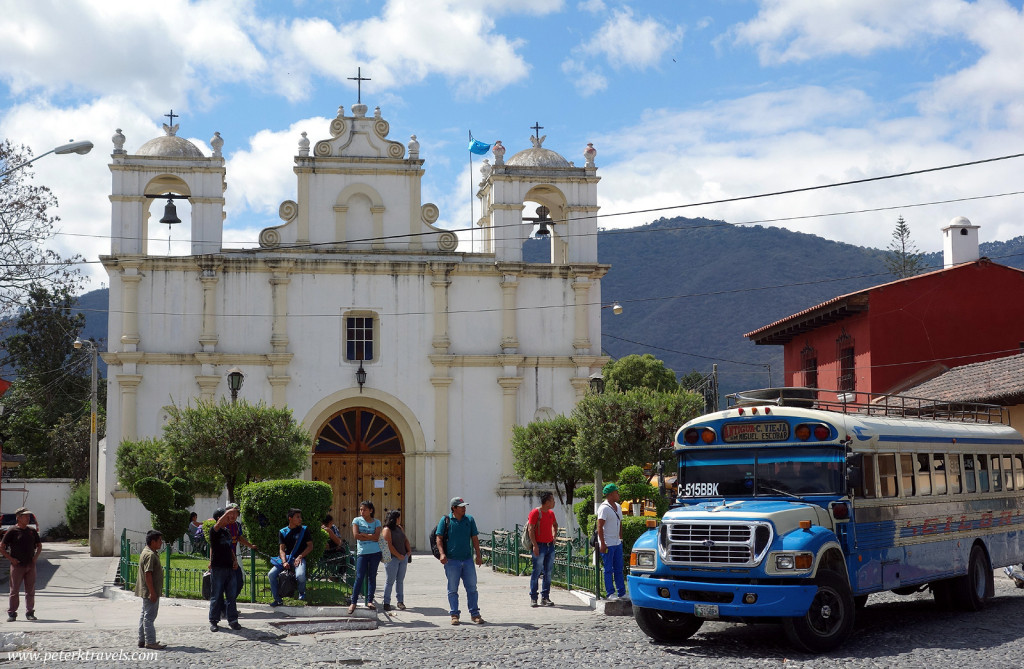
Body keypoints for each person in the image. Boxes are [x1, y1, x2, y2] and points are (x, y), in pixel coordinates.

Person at [436, 496, 484, 625]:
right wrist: (442, 554)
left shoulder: (469, 519)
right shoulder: (445, 520)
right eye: (461, 507)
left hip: (467, 560)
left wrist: (478, 555)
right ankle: (454, 614)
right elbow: (439, 538)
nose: (464, 509)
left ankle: (475, 614)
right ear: (454, 508)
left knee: (472, 588)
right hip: (451, 561)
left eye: (464, 506)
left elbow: (474, 538)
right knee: (452, 589)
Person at [1, 507, 42, 622]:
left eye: (29, 516)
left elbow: (39, 546)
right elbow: (2, 547)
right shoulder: (12, 531)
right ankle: (12, 613)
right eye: (25, 516)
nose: (28, 518)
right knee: (14, 590)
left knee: (30, 590)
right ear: (18, 518)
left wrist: (35, 558)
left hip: (30, 565)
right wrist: (11, 559)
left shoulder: (31, 531)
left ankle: (30, 612)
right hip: (17, 565)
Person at [267, 508, 313, 606]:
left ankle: (301, 593)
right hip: (287, 558)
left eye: (300, 517)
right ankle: (277, 599)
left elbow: (310, 546)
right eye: (297, 517)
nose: (300, 519)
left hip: (300, 558)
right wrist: (284, 562)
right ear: (290, 518)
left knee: (300, 576)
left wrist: (300, 556)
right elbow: (282, 549)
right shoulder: (283, 531)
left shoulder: (304, 530)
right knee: (271, 574)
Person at [208, 508, 242, 632]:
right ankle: (214, 621)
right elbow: (219, 524)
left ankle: (233, 620)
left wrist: (235, 560)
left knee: (231, 596)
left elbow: (230, 548)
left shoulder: (227, 532)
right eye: (226, 517)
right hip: (218, 568)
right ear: (219, 518)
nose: (229, 519)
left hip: (229, 568)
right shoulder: (214, 531)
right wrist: (230, 510)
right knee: (216, 595)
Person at [347, 500, 382, 614]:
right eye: (361, 509)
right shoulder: (356, 520)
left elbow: (377, 537)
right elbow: (356, 535)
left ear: (370, 510)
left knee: (372, 576)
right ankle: (353, 602)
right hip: (362, 553)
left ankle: (370, 600)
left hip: (375, 553)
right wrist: (370, 536)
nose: (362, 512)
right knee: (359, 576)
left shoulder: (377, 522)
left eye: (365, 510)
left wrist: (364, 535)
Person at [135, 530, 166, 649]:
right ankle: (150, 641)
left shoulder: (147, 551)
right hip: (150, 591)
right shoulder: (150, 555)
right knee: (149, 617)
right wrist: (152, 592)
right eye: (159, 540)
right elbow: (148, 574)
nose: (161, 543)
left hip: (146, 590)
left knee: (144, 615)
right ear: (153, 542)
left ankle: (142, 639)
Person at [527, 491, 559, 607]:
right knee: (536, 571)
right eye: (552, 500)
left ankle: (545, 597)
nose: (554, 502)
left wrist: (554, 536)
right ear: (547, 502)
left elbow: (555, 525)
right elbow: (531, 529)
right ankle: (533, 598)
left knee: (548, 572)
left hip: (550, 546)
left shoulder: (551, 513)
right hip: (539, 546)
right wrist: (535, 545)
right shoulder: (536, 513)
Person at [597, 483, 627, 601]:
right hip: (608, 543)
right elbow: (600, 526)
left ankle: (622, 592)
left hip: (617, 542)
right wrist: (602, 543)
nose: (618, 494)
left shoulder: (618, 507)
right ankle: (610, 593)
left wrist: (620, 538)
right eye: (616, 492)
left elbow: (620, 523)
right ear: (610, 494)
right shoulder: (604, 508)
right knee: (608, 569)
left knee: (619, 569)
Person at [381, 509, 411, 612]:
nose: (400, 519)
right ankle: (386, 602)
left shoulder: (399, 528)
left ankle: (400, 601)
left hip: (403, 558)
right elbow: (388, 546)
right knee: (390, 581)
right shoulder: (387, 530)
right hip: (392, 559)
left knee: (400, 580)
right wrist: (398, 555)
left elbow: (405, 539)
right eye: (398, 518)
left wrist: (408, 550)